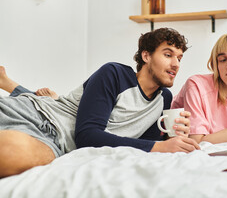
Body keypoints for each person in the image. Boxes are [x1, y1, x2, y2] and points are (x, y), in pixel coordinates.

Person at [0, 27, 200, 178]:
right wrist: (159, 147)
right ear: (146, 56)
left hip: (56, 143)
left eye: (180, 58)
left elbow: (144, 145)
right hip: (38, 114)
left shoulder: (164, 99)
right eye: (168, 55)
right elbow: (87, 135)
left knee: (11, 153)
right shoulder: (114, 74)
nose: (176, 64)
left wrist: (172, 138)